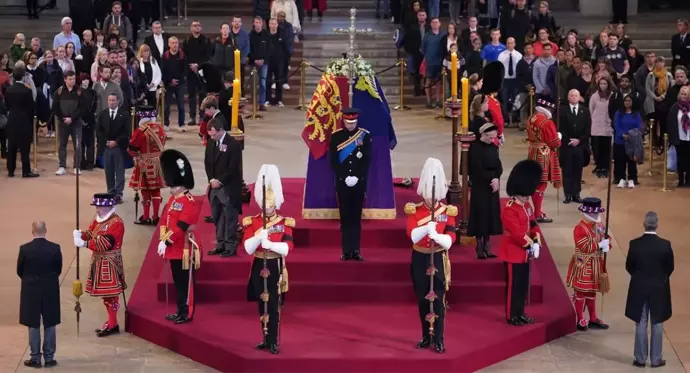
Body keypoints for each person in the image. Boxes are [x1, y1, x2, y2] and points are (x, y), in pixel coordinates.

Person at [405, 157, 457, 354]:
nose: (431, 200)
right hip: (420, 258)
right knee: (422, 299)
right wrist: (426, 228)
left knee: (439, 301)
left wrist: (438, 236)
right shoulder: (415, 210)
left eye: (433, 197)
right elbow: (411, 235)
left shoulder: (447, 211)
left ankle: (439, 338)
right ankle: (426, 336)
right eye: (428, 196)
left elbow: (451, 238)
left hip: (438, 258)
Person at [243, 164, 294, 355]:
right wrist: (258, 237)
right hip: (258, 263)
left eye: (270, 205)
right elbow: (248, 248)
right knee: (260, 302)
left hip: (275, 264)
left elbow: (288, 248)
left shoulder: (283, 223)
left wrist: (270, 244)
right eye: (265, 205)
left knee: (273, 304)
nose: (267, 208)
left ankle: (273, 340)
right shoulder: (253, 221)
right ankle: (264, 338)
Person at [73, 193, 127, 337]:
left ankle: (112, 323)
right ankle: (111, 322)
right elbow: (91, 233)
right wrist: (81, 234)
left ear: (109, 206)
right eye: (97, 206)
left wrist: (84, 243)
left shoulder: (116, 223)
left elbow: (105, 243)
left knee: (111, 295)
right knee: (106, 296)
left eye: (100, 206)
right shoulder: (99, 220)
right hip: (99, 261)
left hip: (109, 263)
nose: (97, 209)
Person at [158, 149, 202, 324]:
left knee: (186, 284)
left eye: (174, 186)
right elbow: (164, 220)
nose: (171, 188)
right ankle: (179, 310)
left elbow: (181, 227)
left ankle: (187, 312)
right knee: (178, 283)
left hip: (184, 248)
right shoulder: (173, 200)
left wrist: (166, 241)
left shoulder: (189, 202)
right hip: (172, 247)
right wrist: (162, 240)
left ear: (182, 185)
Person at [625, 211, 674, 368]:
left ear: (644, 224)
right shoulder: (665, 245)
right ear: (657, 224)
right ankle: (656, 359)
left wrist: (639, 277)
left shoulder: (635, 244)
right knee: (657, 323)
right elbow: (670, 267)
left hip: (639, 287)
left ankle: (640, 359)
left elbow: (629, 266)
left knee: (641, 321)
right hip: (659, 288)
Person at [498, 159, 542, 326]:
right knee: (513, 287)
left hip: (524, 253)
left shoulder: (526, 206)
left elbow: (532, 224)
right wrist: (531, 244)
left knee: (522, 285)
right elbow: (517, 233)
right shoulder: (509, 208)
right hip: (513, 252)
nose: (526, 198)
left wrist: (537, 240)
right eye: (524, 195)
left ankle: (520, 313)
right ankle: (511, 315)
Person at [329, 108, 372, 261]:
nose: (351, 125)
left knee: (356, 219)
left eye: (353, 122)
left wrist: (357, 177)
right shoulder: (336, 137)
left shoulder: (364, 136)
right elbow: (333, 161)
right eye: (348, 122)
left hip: (358, 183)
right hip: (343, 183)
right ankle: (346, 251)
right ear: (344, 121)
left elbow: (367, 160)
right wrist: (344, 176)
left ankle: (356, 251)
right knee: (345, 218)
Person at [17, 221, 61, 368]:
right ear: (45, 231)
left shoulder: (25, 249)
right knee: (50, 323)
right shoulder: (55, 249)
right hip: (50, 290)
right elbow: (58, 269)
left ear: (32, 231)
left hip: (31, 290)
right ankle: (49, 358)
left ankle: (35, 358)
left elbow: (20, 270)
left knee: (33, 324)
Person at [565, 197, 610, 331]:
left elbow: (606, 238)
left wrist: (607, 244)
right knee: (581, 293)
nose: (596, 215)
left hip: (596, 263)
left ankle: (593, 318)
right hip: (583, 263)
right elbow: (584, 246)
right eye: (594, 213)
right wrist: (600, 245)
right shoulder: (580, 228)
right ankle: (580, 319)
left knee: (591, 292)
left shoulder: (599, 225)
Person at [205, 118, 243, 257]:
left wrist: (220, 181)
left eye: (214, 134)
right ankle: (220, 244)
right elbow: (207, 163)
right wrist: (211, 179)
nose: (212, 137)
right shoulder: (210, 143)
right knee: (217, 216)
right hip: (215, 187)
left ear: (221, 130)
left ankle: (230, 246)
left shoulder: (233, 145)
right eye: (210, 135)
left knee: (229, 217)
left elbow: (233, 167)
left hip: (228, 187)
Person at [468, 123, 503, 259]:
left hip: (492, 186)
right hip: (480, 185)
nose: (492, 139)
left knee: (490, 214)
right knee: (480, 214)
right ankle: (479, 245)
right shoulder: (475, 148)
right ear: (483, 134)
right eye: (490, 137)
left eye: (494, 137)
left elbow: (499, 166)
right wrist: (492, 178)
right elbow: (476, 169)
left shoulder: (493, 147)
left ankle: (487, 244)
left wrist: (496, 178)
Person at [128, 105, 166, 225]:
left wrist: (137, 155)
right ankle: (155, 217)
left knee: (145, 191)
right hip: (159, 162)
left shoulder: (140, 131)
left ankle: (145, 217)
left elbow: (131, 148)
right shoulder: (160, 128)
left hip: (145, 162)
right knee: (156, 190)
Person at [527, 98, 562, 223]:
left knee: (534, 183)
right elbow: (554, 143)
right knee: (541, 184)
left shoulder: (532, 118)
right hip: (544, 154)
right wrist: (558, 137)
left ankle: (537, 211)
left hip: (532, 152)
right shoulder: (547, 122)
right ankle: (537, 213)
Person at [5, 66, 39, 178]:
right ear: (24, 77)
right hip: (24, 120)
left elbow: (7, 106)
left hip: (12, 120)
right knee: (25, 147)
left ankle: (11, 170)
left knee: (11, 146)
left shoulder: (9, 90)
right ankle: (26, 171)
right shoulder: (27, 90)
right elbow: (31, 107)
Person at [559, 89, 590, 204]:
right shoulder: (562, 111)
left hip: (580, 146)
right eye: (571, 95)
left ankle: (576, 194)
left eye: (576, 95)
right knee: (567, 171)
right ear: (568, 98)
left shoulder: (585, 111)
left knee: (578, 170)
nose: (573, 97)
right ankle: (567, 194)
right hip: (566, 145)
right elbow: (559, 128)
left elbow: (587, 128)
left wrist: (579, 140)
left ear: (579, 97)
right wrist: (568, 140)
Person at [97, 94, 130, 203]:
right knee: (109, 171)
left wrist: (116, 142)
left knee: (119, 171)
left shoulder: (124, 114)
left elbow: (127, 131)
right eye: (110, 100)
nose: (111, 102)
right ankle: (111, 192)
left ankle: (118, 194)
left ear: (118, 101)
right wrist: (106, 142)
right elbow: (98, 131)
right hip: (106, 147)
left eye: (113, 100)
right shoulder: (102, 114)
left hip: (119, 147)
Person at [53, 71, 86, 176]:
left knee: (78, 145)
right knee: (62, 144)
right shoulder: (59, 91)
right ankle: (62, 166)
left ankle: (77, 167)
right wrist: (63, 118)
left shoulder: (79, 91)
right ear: (65, 79)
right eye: (70, 79)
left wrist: (72, 118)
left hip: (76, 123)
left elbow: (82, 108)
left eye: (74, 79)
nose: (72, 81)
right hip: (63, 123)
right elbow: (55, 107)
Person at [613, 95, 643, 188]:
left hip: (632, 141)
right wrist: (622, 134)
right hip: (620, 140)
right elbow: (616, 126)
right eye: (625, 100)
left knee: (631, 160)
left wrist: (630, 135)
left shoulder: (636, 114)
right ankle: (620, 178)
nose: (627, 102)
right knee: (620, 160)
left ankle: (632, 179)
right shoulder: (618, 113)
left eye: (629, 101)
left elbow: (639, 126)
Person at [667, 85, 690, 187]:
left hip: (689, 137)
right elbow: (671, 123)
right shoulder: (675, 107)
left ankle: (689, 180)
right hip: (679, 137)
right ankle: (681, 180)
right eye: (682, 94)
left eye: (685, 94)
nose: (683, 96)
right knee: (680, 160)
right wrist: (672, 138)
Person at [481, 62, 506, 145]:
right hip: (490, 136)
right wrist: (499, 134)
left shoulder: (479, 98)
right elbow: (499, 121)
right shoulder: (493, 102)